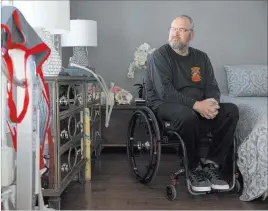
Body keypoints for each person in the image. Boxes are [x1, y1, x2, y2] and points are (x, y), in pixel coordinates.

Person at [146, 15, 239, 192]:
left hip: (198, 105)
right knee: (186, 115)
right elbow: (166, 92)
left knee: (231, 111)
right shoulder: (159, 56)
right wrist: (197, 105)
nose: (176, 33)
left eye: (182, 30)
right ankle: (194, 167)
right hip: (166, 104)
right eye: (173, 29)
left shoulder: (201, 58)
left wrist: (211, 103)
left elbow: (212, 87)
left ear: (191, 35)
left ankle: (212, 164)